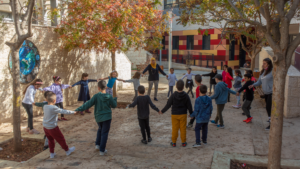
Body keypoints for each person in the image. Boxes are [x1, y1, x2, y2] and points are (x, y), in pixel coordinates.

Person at [75, 80, 117, 155]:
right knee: (104, 133)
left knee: (100, 129)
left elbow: (87, 104)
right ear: (106, 87)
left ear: (98, 88)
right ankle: (102, 150)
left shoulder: (96, 96)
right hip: (107, 117)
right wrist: (115, 99)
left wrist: (78, 109)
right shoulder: (109, 96)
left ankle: (97, 145)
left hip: (98, 117)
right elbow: (114, 105)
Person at [160, 80, 193, 147]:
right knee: (183, 129)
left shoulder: (173, 95)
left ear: (176, 86)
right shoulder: (186, 95)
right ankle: (183, 142)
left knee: (175, 128)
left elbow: (168, 105)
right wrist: (191, 114)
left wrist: (162, 111)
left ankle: (174, 142)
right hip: (183, 114)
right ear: (183, 87)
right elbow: (189, 106)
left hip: (174, 114)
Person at [43, 92, 76, 159]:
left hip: (45, 127)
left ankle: (52, 153)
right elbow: (63, 111)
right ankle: (67, 150)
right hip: (52, 128)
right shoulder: (53, 108)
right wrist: (73, 112)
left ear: (46, 99)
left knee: (50, 140)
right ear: (54, 100)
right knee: (61, 139)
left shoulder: (44, 106)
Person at [249, 58, 273, 130]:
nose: (263, 65)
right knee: (267, 108)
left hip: (272, 92)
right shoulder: (263, 72)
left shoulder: (272, 71)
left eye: (265, 63)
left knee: (269, 108)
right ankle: (270, 119)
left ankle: (271, 124)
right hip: (266, 93)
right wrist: (253, 85)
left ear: (268, 64)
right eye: (263, 63)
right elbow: (259, 82)